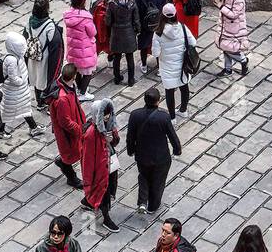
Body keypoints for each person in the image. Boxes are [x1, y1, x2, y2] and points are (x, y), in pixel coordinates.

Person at [126, 87, 181, 215]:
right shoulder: (163, 117)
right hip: (160, 156)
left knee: (143, 176)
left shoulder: (135, 115)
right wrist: (177, 149)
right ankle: (153, 206)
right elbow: (172, 136)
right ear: (158, 101)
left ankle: (142, 202)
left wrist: (130, 150)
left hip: (142, 154)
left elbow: (130, 136)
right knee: (158, 180)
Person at [80, 98, 121, 231]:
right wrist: (88, 179)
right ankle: (106, 218)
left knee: (108, 188)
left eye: (108, 114)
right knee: (103, 193)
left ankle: (88, 201)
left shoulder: (109, 125)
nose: (107, 117)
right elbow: (87, 159)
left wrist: (112, 138)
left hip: (109, 163)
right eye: (104, 114)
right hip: (99, 170)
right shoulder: (91, 134)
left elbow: (115, 141)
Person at [152, 3, 195, 119]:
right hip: (182, 64)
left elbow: (155, 53)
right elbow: (193, 43)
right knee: (184, 87)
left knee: (169, 91)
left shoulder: (158, 33)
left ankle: (172, 118)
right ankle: (183, 110)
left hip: (167, 67)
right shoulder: (182, 27)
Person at [49, 63, 85, 189]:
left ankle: (64, 163)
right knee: (71, 153)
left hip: (75, 126)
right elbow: (65, 122)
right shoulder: (62, 99)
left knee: (74, 151)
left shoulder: (67, 87)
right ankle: (71, 177)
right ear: (73, 77)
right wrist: (79, 129)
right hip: (69, 133)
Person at [0, 31, 40, 137]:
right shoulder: (11, 59)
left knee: (24, 109)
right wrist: (21, 81)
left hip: (20, 91)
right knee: (9, 111)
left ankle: (33, 127)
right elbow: (13, 78)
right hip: (14, 91)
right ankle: (1, 131)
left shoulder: (17, 56)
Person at [24, 0, 64, 106]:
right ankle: (46, 101)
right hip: (45, 59)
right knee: (45, 80)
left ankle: (39, 102)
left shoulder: (29, 22)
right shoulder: (49, 26)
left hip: (33, 57)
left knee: (36, 78)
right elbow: (56, 49)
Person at [105, 0, 141, 85]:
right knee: (130, 57)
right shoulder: (132, 3)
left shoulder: (111, 4)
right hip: (129, 33)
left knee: (117, 57)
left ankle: (117, 78)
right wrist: (138, 30)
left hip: (116, 33)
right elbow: (136, 20)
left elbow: (108, 21)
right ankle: (131, 79)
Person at [62, 0, 97, 101]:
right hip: (84, 49)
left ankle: (80, 89)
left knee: (76, 70)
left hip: (73, 49)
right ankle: (82, 93)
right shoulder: (86, 17)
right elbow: (92, 32)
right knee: (88, 73)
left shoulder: (68, 15)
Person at [215, 0, 249, 75]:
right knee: (225, 47)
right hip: (226, 26)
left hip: (234, 27)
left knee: (228, 48)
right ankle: (228, 69)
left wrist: (221, 6)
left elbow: (234, 14)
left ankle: (243, 60)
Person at [133, 0, 166, 72]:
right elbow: (164, 5)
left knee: (144, 46)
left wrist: (137, 27)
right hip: (159, 23)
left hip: (145, 26)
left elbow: (137, 14)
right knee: (158, 45)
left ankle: (144, 65)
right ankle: (160, 67)